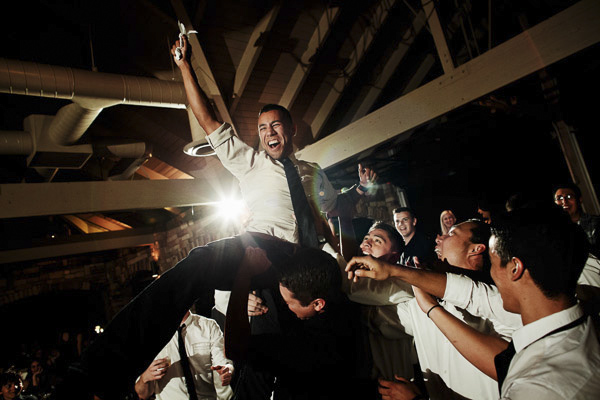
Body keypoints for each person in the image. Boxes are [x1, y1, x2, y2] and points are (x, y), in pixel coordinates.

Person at [74, 35, 375, 400]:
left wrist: (360, 193)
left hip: (306, 263)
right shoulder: (250, 164)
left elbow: (333, 208)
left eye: (276, 125)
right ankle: (105, 365)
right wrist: (185, 66)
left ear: (291, 130)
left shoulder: (312, 172)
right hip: (265, 249)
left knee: (301, 352)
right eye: (263, 128)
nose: (269, 133)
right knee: (200, 262)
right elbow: (208, 119)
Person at [410, 207, 600, 399]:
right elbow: (475, 295)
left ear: (515, 268)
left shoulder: (535, 387)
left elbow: (479, 297)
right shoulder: (585, 332)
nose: (491, 273)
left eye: (492, 263)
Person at [346, 220, 507, 400]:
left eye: (452, 233)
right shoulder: (419, 299)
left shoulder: (498, 302)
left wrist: (398, 273)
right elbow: (377, 318)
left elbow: (505, 365)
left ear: (476, 249)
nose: (439, 237)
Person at [224, 246, 373, 400]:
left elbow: (234, 347)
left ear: (317, 304)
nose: (284, 305)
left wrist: (243, 275)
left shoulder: (310, 347)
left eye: (288, 303)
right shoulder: (345, 306)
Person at [134, 310, 233, 400]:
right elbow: (142, 394)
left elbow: (223, 363)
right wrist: (145, 378)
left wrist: (227, 370)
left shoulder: (208, 326)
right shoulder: (151, 334)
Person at [554, 182, 600, 257]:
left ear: (580, 199)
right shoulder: (552, 230)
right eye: (559, 198)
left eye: (569, 197)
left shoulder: (596, 223)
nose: (564, 202)